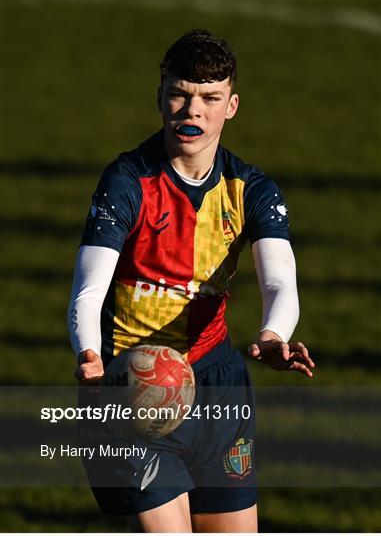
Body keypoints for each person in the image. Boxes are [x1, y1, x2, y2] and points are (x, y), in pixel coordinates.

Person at [68, 29, 315, 533]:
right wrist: (88, 354)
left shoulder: (252, 189)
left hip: (219, 386)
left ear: (232, 106)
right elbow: (88, 289)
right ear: (160, 95)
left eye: (210, 97)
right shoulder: (128, 180)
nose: (192, 111)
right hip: (131, 389)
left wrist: (274, 335)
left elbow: (279, 283)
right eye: (180, 93)